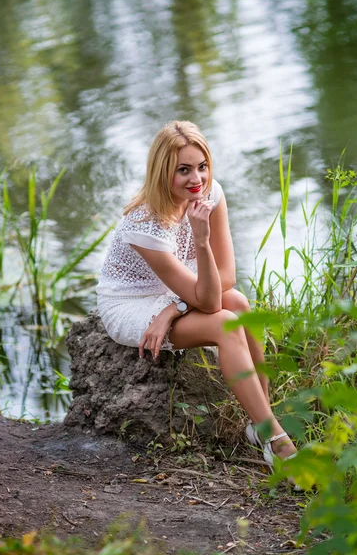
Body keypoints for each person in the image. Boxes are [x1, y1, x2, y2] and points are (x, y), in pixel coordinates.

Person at [96, 120, 297, 464]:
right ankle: (278, 443)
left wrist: (173, 309)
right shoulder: (145, 224)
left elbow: (227, 278)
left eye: (202, 167)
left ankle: (262, 425)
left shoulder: (210, 194)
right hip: (131, 303)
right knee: (223, 323)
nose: (197, 180)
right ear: (162, 173)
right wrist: (201, 240)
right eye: (183, 170)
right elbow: (206, 300)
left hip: (175, 292)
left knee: (238, 303)